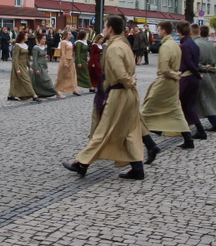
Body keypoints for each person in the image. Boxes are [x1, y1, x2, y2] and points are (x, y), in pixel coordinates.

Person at [63, 15, 146, 180]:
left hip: (119, 93)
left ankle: (81, 162)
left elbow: (120, 72)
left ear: (111, 29)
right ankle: (137, 168)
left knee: (103, 129)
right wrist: (130, 81)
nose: (103, 29)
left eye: (105, 26)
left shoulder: (115, 47)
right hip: (128, 94)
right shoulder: (124, 44)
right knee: (130, 131)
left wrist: (128, 82)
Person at [139, 21, 195, 160]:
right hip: (174, 83)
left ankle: (149, 143)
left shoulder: (165, 46)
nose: (158, 31)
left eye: (158, 29)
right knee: (176, 109)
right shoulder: (176, 45)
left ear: (163, 30)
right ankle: (188, 138)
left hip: (165, 81)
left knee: (146, 110)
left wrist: (174, 75)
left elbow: (164, 69)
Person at [8, 31, 42, 102]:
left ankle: (11, 95)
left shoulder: (25, 45)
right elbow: (16, 58)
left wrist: (29, 67)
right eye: (26, 36)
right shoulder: (17, 46)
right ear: (22, 37)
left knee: (16, 81)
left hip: (24, 65)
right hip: (18, 65)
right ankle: (34, 95)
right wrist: (17, 69)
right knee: (27, 80)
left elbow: (26, 58)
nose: (27, 37)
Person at [31, 33, 62, 98]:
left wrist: (46, 67)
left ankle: (42, 93)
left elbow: (44, 58)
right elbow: (34, 59)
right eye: (44, 39)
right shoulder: (36, 48)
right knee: (47, 80)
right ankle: (56, 93)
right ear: (40, 39)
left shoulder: (44, 47)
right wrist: (36, 69)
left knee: (41, 81)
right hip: (38, 66)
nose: (45, 40)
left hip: (43, 65)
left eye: (45, 39)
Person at [54, 30, 80, 96]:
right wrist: (65, 62)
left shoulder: (70, 42)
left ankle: (74, 89)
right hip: (65, 60)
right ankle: (55, 89)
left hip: (71, 60)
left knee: (73, 74)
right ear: (65, 35)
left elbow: (72, 52)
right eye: (69, 34)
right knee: (62, 75)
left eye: (70, 34)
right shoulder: (63, 42)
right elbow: (62, 52)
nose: (70, 36)